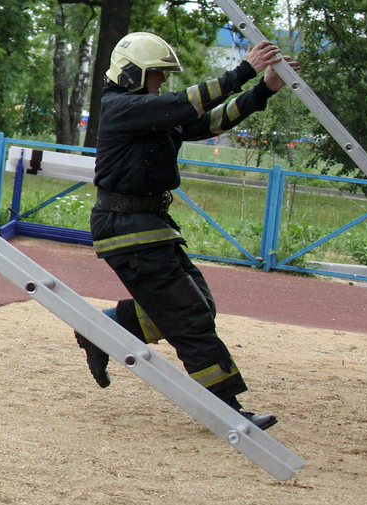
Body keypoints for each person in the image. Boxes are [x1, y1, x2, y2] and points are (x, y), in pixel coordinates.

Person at [74, 31, 293, 430]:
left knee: (197, 306)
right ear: (131, 74)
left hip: (149, 226)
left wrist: (263, 90)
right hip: (127, 228)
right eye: (156, 75)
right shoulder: (121, 106)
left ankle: (102, 330)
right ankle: (225, 408)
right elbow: (186, 102)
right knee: (188, 315)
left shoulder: (150, 113)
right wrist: (244, 70)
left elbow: (207, 120)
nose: (161, 83)